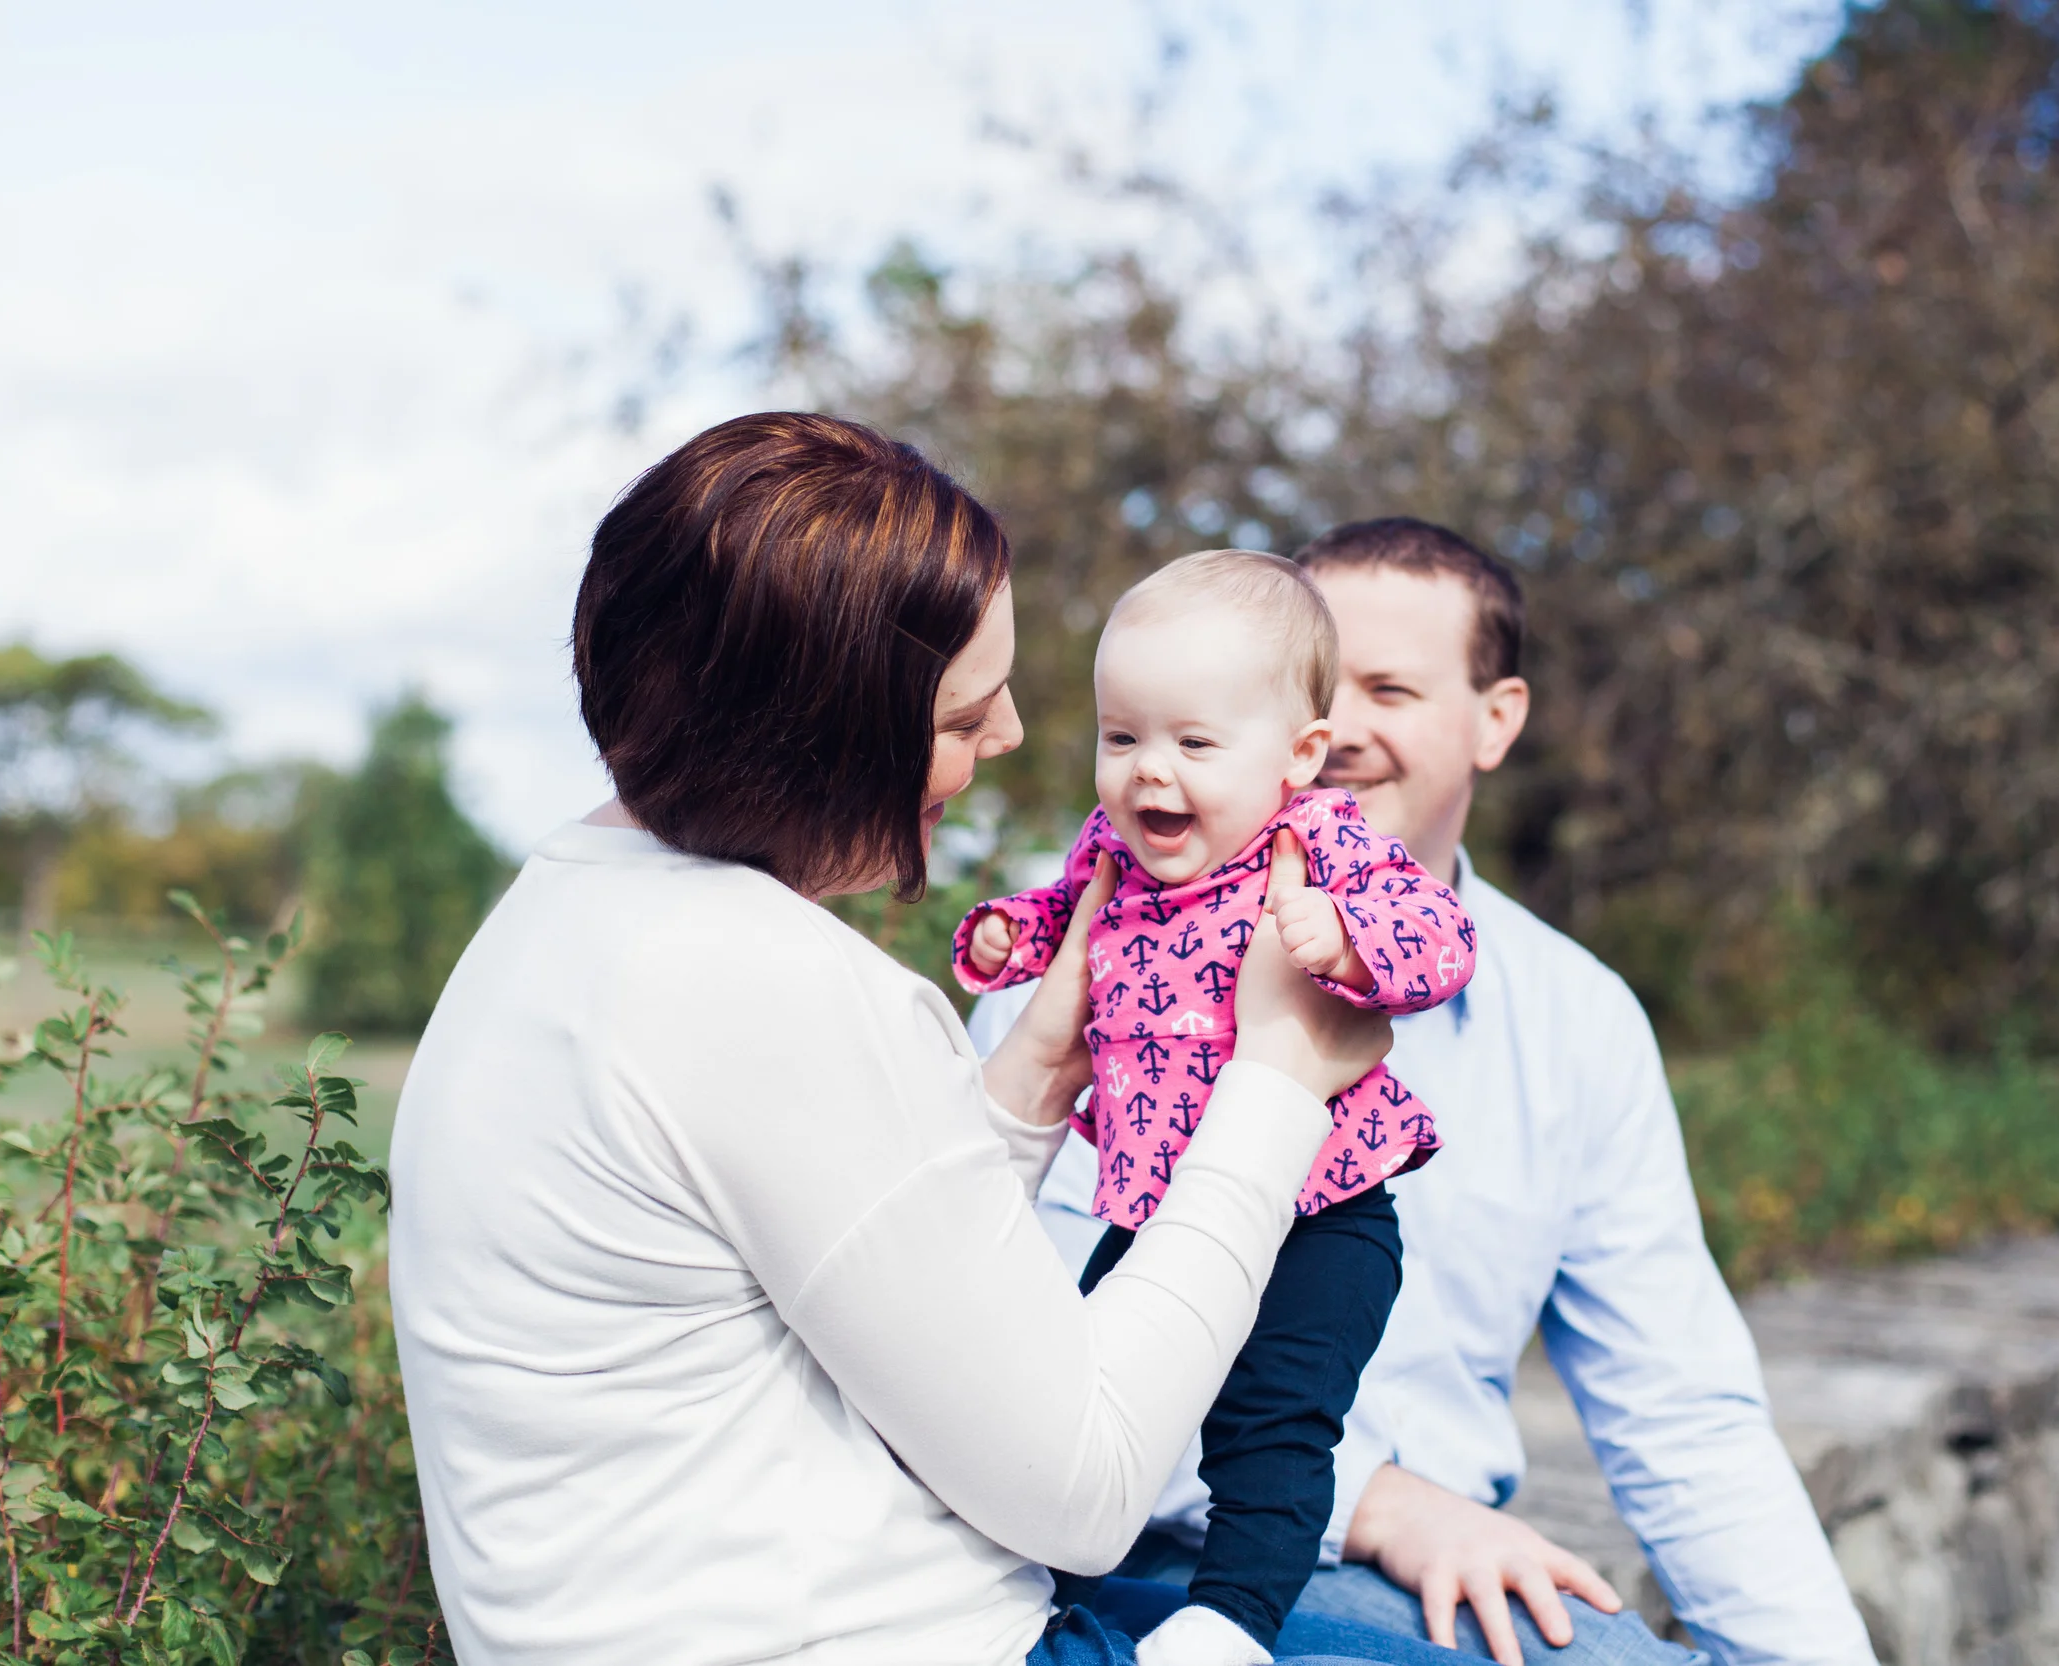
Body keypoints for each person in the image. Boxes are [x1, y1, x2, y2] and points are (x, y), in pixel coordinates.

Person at [387, 416, 1495, 1666]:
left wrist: (1031, 1071)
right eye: (966, 713)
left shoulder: (567, 920)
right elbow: (1085, 1490)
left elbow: (877, 1267)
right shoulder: (762, 985)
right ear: (827, 733)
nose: (1014, 734)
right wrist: (1279, 1076)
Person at [972, 519, 1877, 1666]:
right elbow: (1015, 1336)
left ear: (1494, 720)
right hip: (1134, 1550)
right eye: (1312, 679)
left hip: (1415, 1585)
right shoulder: (1100, 945)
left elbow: (1678, 1401)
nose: (1338, 728)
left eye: (1386, 688)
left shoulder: (1575, 1018)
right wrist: (1382, 1504)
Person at [951, 550, 1475, 1664]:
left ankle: (1232, 1619)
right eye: (1122, 737)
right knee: (1077, 1383)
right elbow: (1059, 919)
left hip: (1323, 1214)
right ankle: (1024, 1589)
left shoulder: (1321, 844)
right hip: (1157, 1208)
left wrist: (1349, 944)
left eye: (1194, 744)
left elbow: (1440, 938)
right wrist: (1007, 935)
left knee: (1270, 1427)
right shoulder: (1114, 855)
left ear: (1296, 756)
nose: (1151, 775)